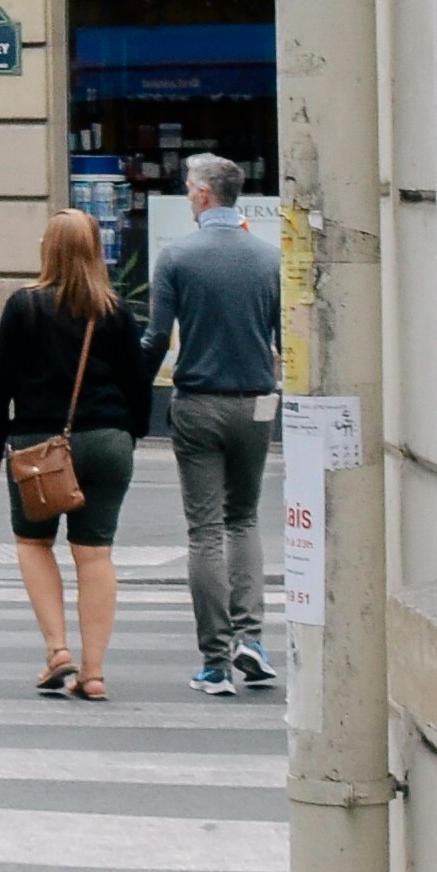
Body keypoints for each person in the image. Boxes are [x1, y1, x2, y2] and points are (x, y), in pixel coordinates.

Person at [0, 209, 156, 699]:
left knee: (34, 543)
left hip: (39, 445)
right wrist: (129, 434)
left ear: (47, 249)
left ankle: (58, 649)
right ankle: (93, 673)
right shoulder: (115, 310)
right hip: (107, 439)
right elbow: (136, 383)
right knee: (95, 555)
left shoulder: (24, 307)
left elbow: (2, 382)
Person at [149, 152, 281, 695]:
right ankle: (252, 637)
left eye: (187, 187)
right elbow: (282, 338)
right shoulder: (270, 258)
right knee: (244, 519)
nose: (186, 194)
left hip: (199, 402)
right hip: (256, 404)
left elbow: (156, 338)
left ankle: (215, 660)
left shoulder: (176, 257)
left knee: (205, 530)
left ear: (204, 194)